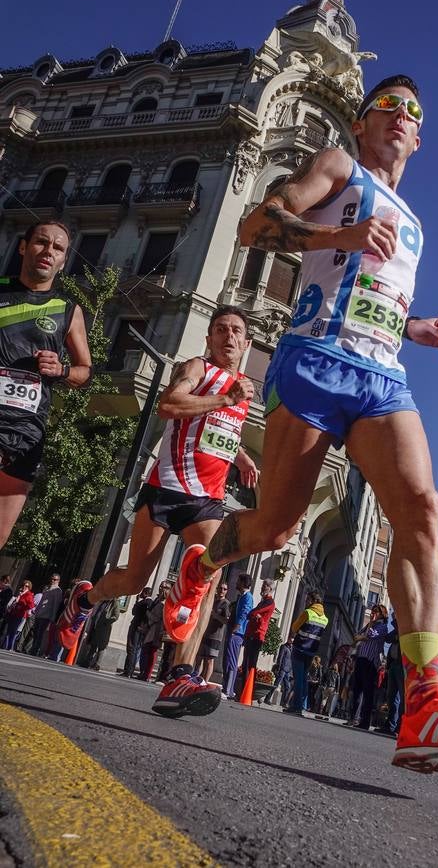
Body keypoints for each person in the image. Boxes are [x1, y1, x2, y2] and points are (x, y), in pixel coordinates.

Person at [164, 75, 438, 771]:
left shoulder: (414, 221)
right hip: (313, 360)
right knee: (274, 527)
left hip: (382, 373)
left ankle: (426, 703)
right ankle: (202, 563)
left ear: (420, 138)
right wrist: (342, 230)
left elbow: (366, 286)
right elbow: (255, 225)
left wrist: (415, 327)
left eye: (414, 112)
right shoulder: (338, 165)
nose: (401, 117)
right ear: (362, 124)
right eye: (387, 105)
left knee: (420, 507)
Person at [57, 305, 258, 717]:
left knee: (208, 572)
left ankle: (180, 675)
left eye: (236, 331)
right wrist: (223, 397)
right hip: (166, 487)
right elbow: (170, 405)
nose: (228, 337)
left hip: (208, 500)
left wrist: (239, 456)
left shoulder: (245, 384)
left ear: (248, 343)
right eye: (220, 329)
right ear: (210, 338)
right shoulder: (197, 367)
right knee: (134, 580)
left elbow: (218, 427)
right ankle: (85, 598)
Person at [0, 222, 92, 552]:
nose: (48, 251)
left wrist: (60, 368)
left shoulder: (68, 309)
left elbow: (85, 372)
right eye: (41, 242)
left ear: (63, 261)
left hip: (27, 433)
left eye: (57, 248)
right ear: (24, 247)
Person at [285, 590, 329, 715]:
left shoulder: (308, 613)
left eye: (307, 600)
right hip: (311, 651)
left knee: (298, 678)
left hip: (300, 648)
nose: (306, 602)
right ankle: (302, 705)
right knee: (304, 678)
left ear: (312, 601)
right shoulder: (325, 619)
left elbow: (294, 627)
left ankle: (296, 707)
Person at [348, 604, 389, 729]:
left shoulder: (382, 627)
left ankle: (364, 721)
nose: (372, 614)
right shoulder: (369, 625)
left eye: (375, 612)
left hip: (370, 662)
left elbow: (369, 636)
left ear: (382, 615)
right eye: (372, 612)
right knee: (356, 690)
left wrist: (366, 632)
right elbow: (357, 636)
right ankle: (353, 718)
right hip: (361, 658)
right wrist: (362, 636)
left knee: (367, 692)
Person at [238, 579, 275, 695]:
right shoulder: (263, 601)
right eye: (262, 585)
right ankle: (244, 692)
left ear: (270, 588)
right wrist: (254, 614)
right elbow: (253, 614)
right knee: (246, 664)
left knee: (251, 664)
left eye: (265, 586)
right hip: (251, 634)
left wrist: (254, 614)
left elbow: (253, 613)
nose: (262, 588)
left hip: (257, 635)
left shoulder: (269, 602)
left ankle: (248, 692)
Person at [221, 573, 253, 700]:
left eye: (238, 581)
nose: (236, 583)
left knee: (232, 660)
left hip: (237, 633)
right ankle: (226, 687)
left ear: (243, 583)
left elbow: (245, 612)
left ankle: (228, 690)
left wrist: (237, 626)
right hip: (234, 631)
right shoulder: (241, 597)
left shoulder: (247, 597)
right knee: (227, 659)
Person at [195, 582, 230, 682]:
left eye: (224, 589)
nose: (221, 591)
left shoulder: (225, 604)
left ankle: (205, 681)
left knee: (210, 660)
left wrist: (215, 616)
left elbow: (226, 620)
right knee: (200, 657)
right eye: (220, 588)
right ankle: (197, 678)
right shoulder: (213, 601)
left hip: (215, 636)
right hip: (205, 633)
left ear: (227, 591)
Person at [138, 581, 171, 682]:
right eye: (161, 586)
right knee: (145, 650)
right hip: (150, 627)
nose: (161, 588)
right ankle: (143, 672)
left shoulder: (166, 602)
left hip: (158, 628)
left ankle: (147, 674)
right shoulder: (157, 599)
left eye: (164, 587)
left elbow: (162, 616)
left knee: (152, 651)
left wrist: (149, 614)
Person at [121, 587, 152, 678]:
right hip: (141, 629)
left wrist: (137, 601)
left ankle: (128, 671)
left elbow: (134, 612)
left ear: (145, 593)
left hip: (137, 627)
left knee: (132, 648)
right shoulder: (151, 603)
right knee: (135, 649)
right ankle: (129, 670)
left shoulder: (144, 603)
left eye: (143, 592)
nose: (141, 594)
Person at [29, 572, 62, 656]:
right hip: (39, 614)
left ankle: (35, 650)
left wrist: (53, 617)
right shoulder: (47, 588)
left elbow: (55, 605)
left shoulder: (58, 591)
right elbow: (41, 602)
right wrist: (36, 610)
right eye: (52, 579)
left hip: (46, 616)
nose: (52, 580)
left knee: (40, 633)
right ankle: (33, 648)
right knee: (35, 632)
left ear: (58, 581)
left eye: (55, 579)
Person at [81, 599, 120, 670]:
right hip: (96, 626)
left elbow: (116, 616)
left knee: (101, 647)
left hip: (104, 629)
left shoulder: (114, 603)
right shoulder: (103, 601)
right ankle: (87, 662)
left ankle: (97, 664)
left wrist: (106, 621)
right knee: (93, 644)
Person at [1, 580, 34, 650]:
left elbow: (31, 605)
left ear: (29, 587)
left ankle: (9, 647)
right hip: (13, 613)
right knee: (9, 630)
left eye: (27, 586)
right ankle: (5, 646)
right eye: (24, 585)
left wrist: (22, 607)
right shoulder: (20, 593)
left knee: (13, 631)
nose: (25, 587)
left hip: (20, 615)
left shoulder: (29, 594)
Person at [262, 635, 293, 706]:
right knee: (276, 684)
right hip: (282, 668)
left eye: (293, 640)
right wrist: (278, 667)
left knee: (287, 687)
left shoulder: (292, 648)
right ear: (288, 639)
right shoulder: (284, 647)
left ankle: (284, 703)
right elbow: (280, 657)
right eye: (291, 639)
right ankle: (267, 699)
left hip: (288, 670)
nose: (292, 641)